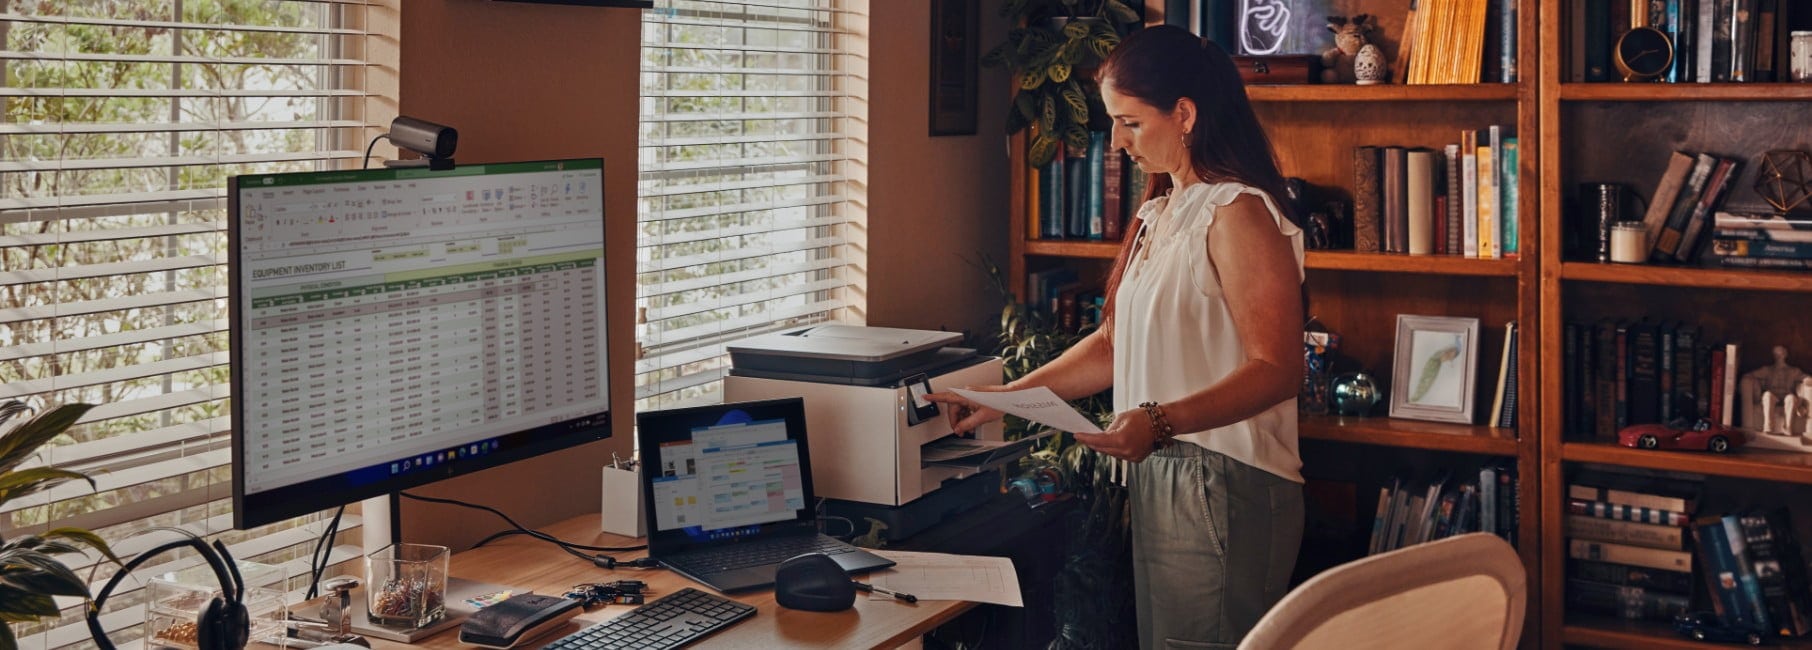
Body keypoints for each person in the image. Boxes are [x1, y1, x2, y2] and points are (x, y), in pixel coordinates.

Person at [926, 25, 1305, 649]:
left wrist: (1156, 421)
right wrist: (1001, 395)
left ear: (1183, 114)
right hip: (1165, 469)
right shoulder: (1162, 211)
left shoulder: (1238, 212)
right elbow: (1111, 347)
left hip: (1221, 477)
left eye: (1129, 122)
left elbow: (1276, 368)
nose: (1114, 141)